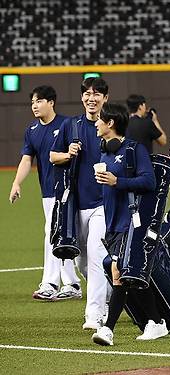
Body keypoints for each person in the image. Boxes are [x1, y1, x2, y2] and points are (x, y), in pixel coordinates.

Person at [90, 102, 166, 346]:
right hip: (112, 223)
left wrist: (117, 181)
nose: (96, 123)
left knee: (118, 271)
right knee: (129, 275)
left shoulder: (134, 150)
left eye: (100, 119)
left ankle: (107, 330)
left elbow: (149, 181)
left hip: (131, 223)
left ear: (110, 123)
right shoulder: (104, 153)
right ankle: (156, 322)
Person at [9, 85, 82, 300]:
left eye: (39, 101)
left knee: (61, 233)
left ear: (51, 102)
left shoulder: (67, 124)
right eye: (32, 102)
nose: (34, 106)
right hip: (48, 191)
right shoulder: (32, 130)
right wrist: (16, 183)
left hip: (70, 189)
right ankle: (65, 283)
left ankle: (58, 283)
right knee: (57, 233)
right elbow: (26, 159)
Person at [50, 77, 109, 329]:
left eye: (96, 94)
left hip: (103, 204)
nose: (91, 98)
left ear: (105, 98)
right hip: (76, 204)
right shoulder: (70, 125)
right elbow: (53, 156)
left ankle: (93, 315)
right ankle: (109, 299)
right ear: (82, 97)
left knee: (96, 256)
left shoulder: (110, 124)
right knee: (82, 263)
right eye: (87, 93)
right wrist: (68, 154)